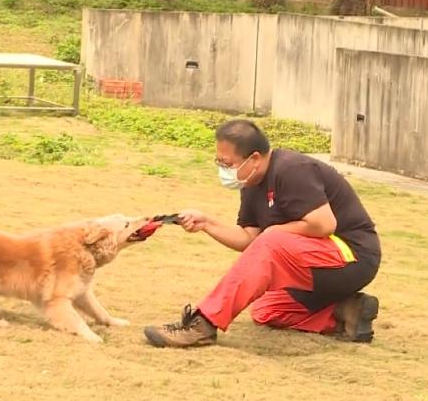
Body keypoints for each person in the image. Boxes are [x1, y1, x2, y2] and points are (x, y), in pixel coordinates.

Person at [143, 119, 381, 348]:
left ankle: (203, 324)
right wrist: (207, 223)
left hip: (352, 256)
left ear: (254, 158)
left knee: (271, 239)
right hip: (317, 267)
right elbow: (250, 240)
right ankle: (346, 313)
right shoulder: (250, 185)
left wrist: (273, 233)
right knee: (267, 311)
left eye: (227, 164)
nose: (223, 170)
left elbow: (323, 224)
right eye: (218, 163)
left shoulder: (291, 169)